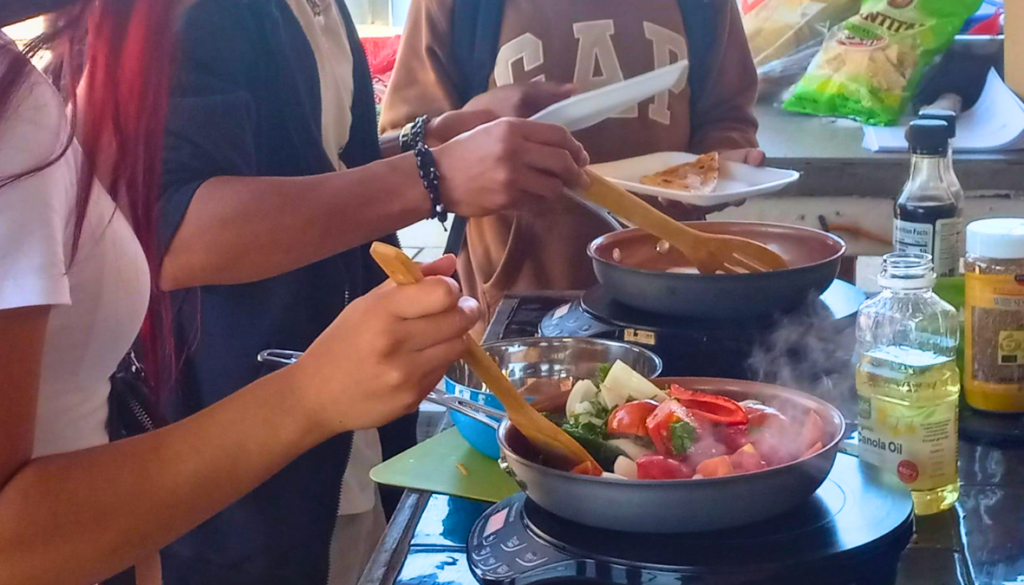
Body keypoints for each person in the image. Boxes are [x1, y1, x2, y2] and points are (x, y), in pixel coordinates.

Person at [0, 1, 528, 584]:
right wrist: (432, 174)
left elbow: (298, 158)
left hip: (314, 458)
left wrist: (421, 144)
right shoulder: (25, 110)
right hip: (231, 474)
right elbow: (169, 227)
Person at [156, 0, 589, 583]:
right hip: (241, 451)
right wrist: (431, 175)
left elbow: (311, 162)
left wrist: (433, 138)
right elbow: (174, 234)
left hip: (349, 436)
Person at [380, 0, 763, 335]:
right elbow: (407, 144)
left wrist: (719, 168)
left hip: (672, 294)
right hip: (515, 304)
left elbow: (727, 117)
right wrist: (472, 124)